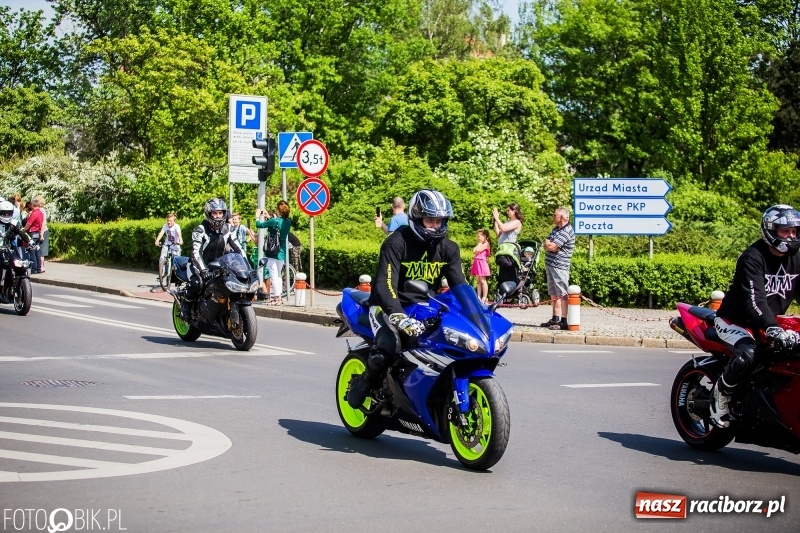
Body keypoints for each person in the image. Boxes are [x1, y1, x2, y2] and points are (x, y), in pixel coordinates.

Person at [347, 189, 467, 408]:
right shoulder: (397, 242)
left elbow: (460, 286)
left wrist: (477, 310)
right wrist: (398, 316)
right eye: (430, 220)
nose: (436, 226)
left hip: (424, 307)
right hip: (387, 306)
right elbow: (385, 285)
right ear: (416, 218)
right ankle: (364, 385)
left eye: (439, 221)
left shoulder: (449, 248)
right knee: (390, 344)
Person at [710, 205, 800, 428]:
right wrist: (772, 326)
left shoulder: (797, 257)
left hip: (772, 321)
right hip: (736, 321)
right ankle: (719, 397)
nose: (791, 236)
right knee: (749, 354)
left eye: (794, 231)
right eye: (785, 231)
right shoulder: (752, 257)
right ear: (770, 230)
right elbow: (755, 301)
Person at [184, 198, 244, 316]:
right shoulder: (200, 230)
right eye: (215, 213)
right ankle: (186, 305)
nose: (217, 216)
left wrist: (245, 267)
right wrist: (204, 270)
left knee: (229, 284)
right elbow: (196, 253)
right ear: (208, 214)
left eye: (220, 213)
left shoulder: (229, 229)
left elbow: (239, 249)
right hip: (198, 265)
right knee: (197, 284)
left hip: (218, 265)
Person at [541, 207, 575, 331]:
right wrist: (549, 245)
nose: (553, 217)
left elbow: (553, 246)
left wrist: (551, 245)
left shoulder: (567, 231)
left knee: (562, 293)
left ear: (562, 217)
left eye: (555, 215)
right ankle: (555, 319)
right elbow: (546, 244)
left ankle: (564, 321)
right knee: (553, 293)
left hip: (560, 266)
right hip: (551, 264)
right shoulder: (556, 230)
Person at [256, 201, 291, 305]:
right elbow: (276, 225)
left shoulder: (274, 221)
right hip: (282, 251)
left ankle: (276, 298)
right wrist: (268, 217)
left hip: (272, 251)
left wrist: (257, 216)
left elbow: (259, 225)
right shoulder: (288, 221)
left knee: (273, 275)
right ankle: (279, 297)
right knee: (278, 275)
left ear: (278, 210)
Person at [0, 200, 31, 296]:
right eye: (3, 213)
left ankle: (15, 286)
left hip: (9, 249)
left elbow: (23, 232)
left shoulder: (14, 223)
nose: (5, 215)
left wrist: (31, 242)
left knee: (19, 264)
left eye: (8, 213)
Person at [492, 202, 524, 285]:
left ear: (514, 211)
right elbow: (498, 233)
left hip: (509, 251)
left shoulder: (517, 222)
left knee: (510, 273)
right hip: (503, 250)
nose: (507, 212)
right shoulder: (508, 221)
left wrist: (497, 218)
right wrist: (495, 220)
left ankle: (511, 292)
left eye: (508, 210)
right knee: (503, 274)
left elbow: (504, 228)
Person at [23, 197, 44, 274]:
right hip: (38, 233)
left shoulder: (34, 213)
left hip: (32, 233)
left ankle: (34, 269)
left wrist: (23, 230)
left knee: (32, 251)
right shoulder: (40, 213)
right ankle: (39, 268)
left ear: (33, 205)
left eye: (31, 205)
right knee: (37, 251)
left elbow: (28, 224)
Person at [471, 228, 491, 303]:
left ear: (484, 236)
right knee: (478, 281)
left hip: (482, 263)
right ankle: (478, 296)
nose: (478, 238)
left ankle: (484, 297)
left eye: (480, 236)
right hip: (477, 262)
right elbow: (474, 251)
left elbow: (477, 250)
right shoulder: (480, 244)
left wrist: (479, 244)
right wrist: (479, 243)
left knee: (483, 280)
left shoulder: (486, 244)